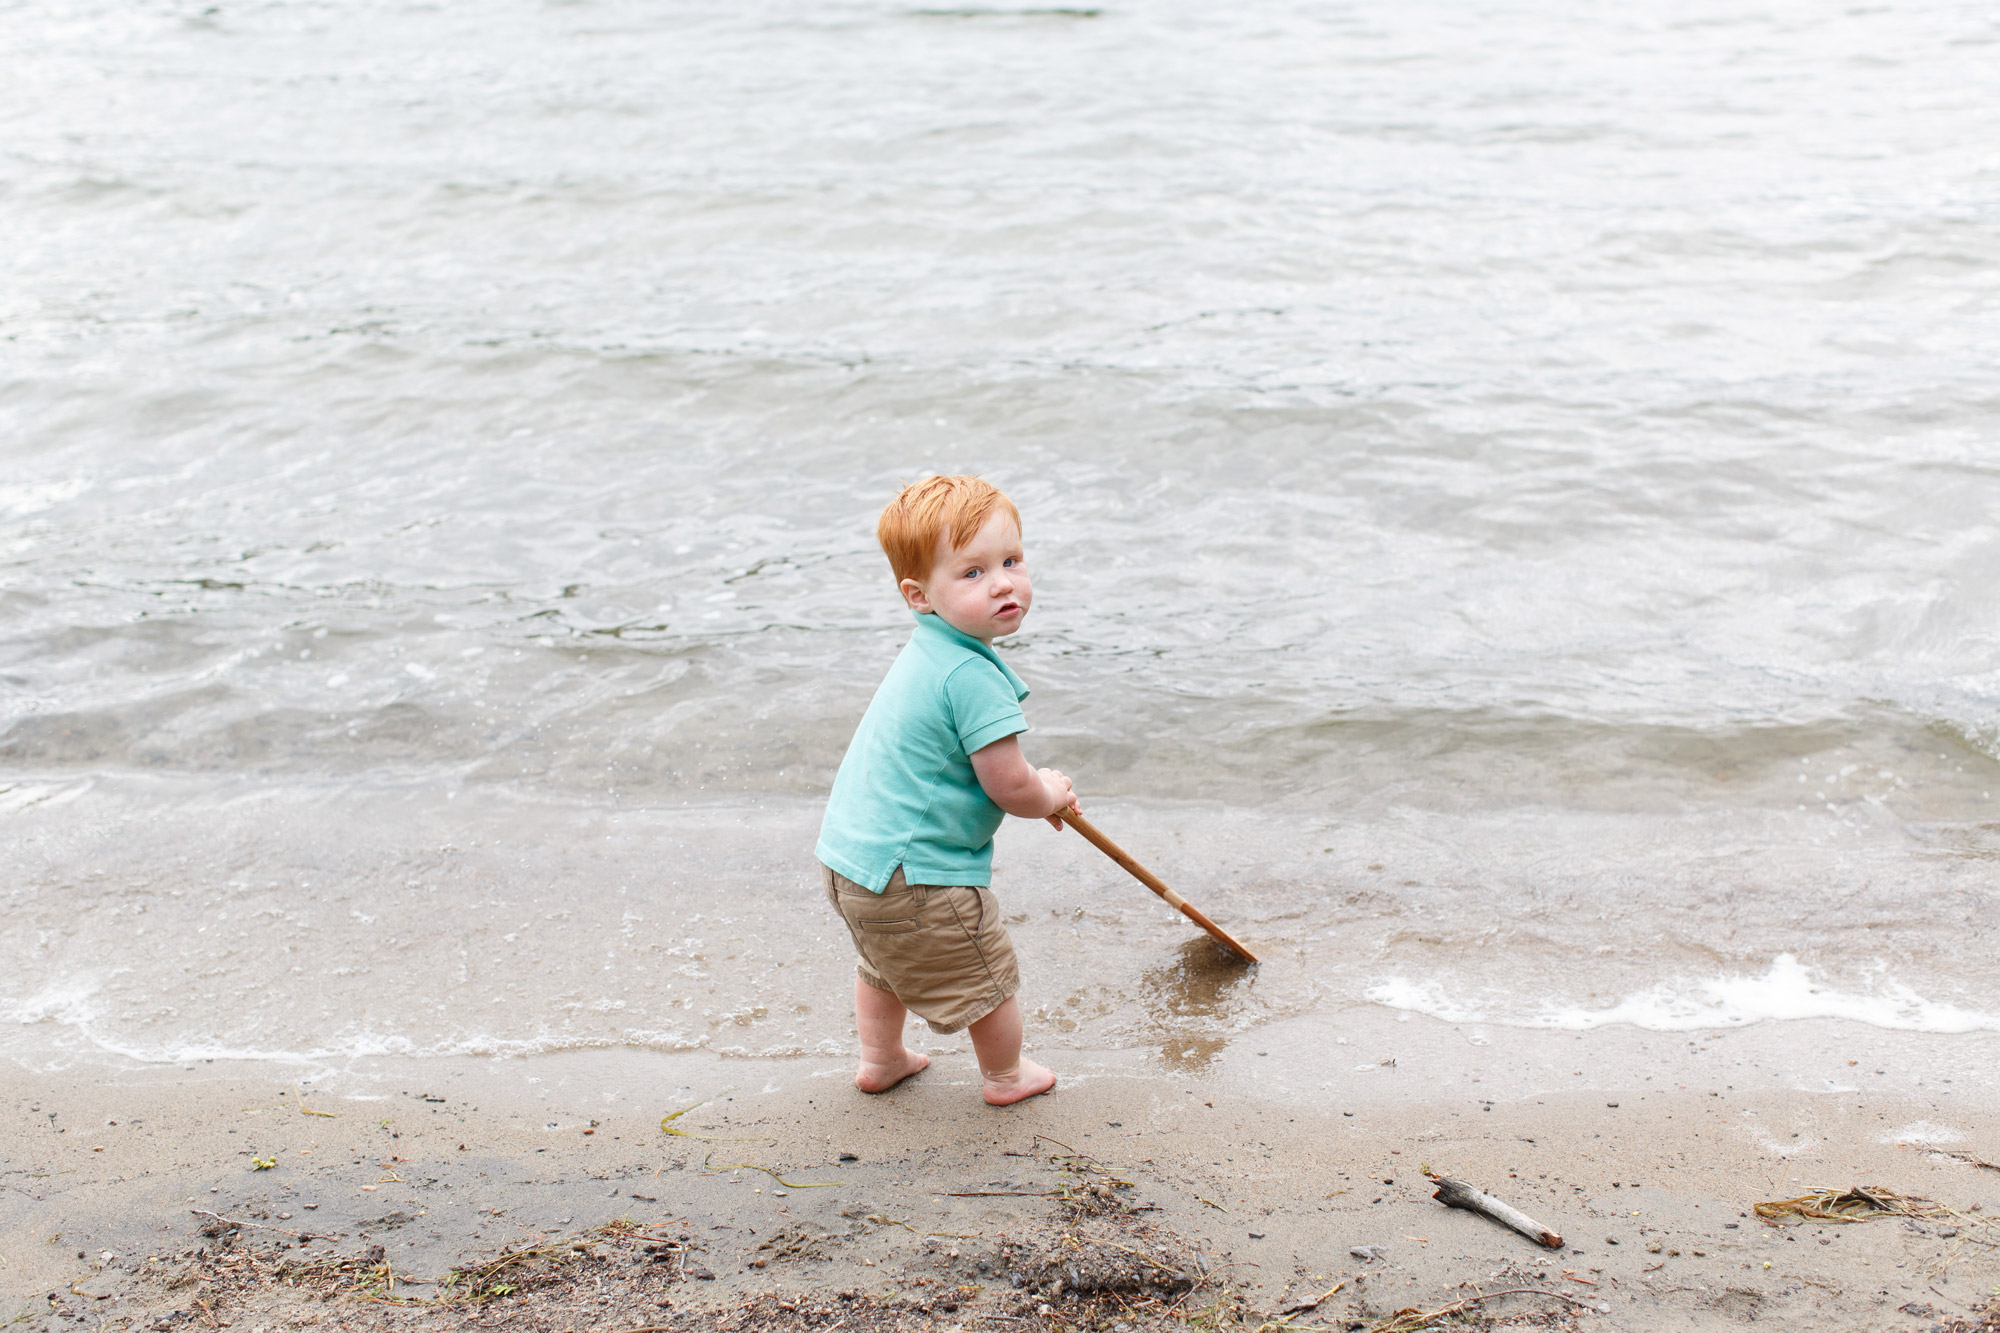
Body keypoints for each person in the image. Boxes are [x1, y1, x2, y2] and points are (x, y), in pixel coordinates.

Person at [816, 474, 1074, 1106]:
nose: (1004, 583)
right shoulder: (972, 675)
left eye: (1011, 561)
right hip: (919, 876)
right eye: (972, 573)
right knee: (987, 976)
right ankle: (1007, 1077)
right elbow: (1011, 785)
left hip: (852, 861)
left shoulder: (929, 653)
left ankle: (882, 1058)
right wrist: (1051, 793)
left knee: (885, 963)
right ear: (919, 594)